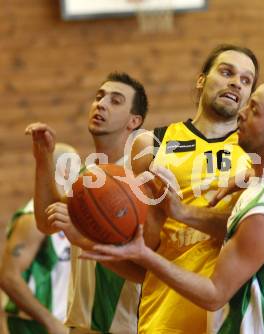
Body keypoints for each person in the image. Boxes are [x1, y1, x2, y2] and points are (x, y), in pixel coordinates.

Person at [82, 76, 264, 334]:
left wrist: (143, 255)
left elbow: (214, 294)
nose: (241, 113)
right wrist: (242, 178)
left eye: (254, 110)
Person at [127, 44, 258, 333]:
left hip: (236, 313)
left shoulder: (259, 151)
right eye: (227, 72)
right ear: (201, 80)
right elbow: (141, 246)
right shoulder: (150, 144)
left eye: (246, 80)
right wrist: (156, 216)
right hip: (167, 309)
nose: (236, 82)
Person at [25, 72, 148, 333]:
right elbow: (47, 222)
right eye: (99, 97)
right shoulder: (87, 173)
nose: (101, 104)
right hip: (81, 324)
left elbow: (146, 269)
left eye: (115, 101)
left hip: (127, 325)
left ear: (134, 121)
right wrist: (43, 159)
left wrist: (84, 238)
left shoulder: (139, 174)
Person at [0, 143, 76, 334]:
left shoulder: (67, 213)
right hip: (33, 326)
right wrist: (50, 321)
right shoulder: (32, 219)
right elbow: (8, 277)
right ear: (64, 172)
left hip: (61, 323)